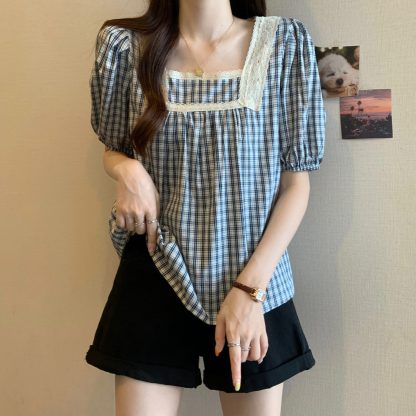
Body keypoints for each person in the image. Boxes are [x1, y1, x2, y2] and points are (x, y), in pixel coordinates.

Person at [84, 0, 326, 415]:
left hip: (254, 280)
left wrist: (250, 291)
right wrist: (127, 171)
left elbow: (295, 184)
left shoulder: (283, 43)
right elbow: (114, 147)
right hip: (158, 266)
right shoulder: (126, 48)